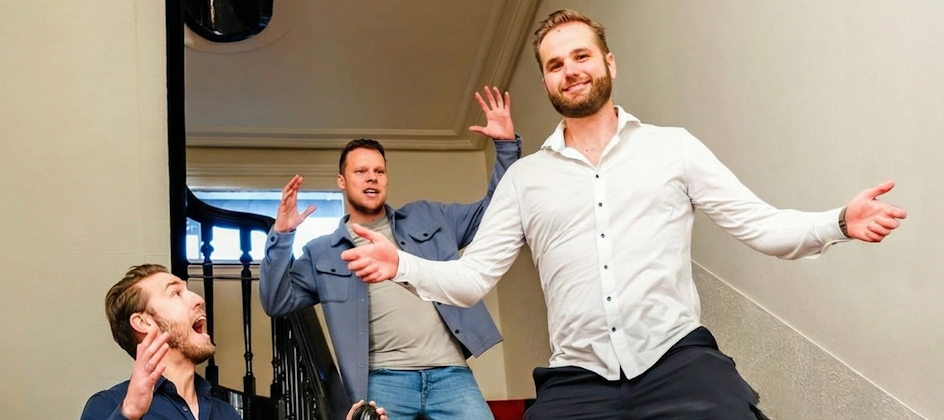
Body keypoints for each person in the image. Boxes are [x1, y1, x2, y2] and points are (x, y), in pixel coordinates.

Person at [338, 9, 909, 420]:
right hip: (576, 379)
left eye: (581, 56)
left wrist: (838, 221)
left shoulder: (673, 148)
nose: (570, 69)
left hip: (679, 362)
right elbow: (472, 278)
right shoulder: (524, 180)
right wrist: (402, 265)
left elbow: (761, 226)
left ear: (608, 62)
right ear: (546, 80)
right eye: (555, 64)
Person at [259, 87, 521, 419]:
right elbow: (276, 301)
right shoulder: (321, 252)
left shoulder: (429, 217)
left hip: (451, 374)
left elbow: (496, 213)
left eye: (379, 171)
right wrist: (282, 235)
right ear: (341, 181)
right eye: (360, 171)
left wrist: (506, 147)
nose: (371, 177)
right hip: (383, 381)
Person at [80, 263, 389, 420]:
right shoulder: (108, 406)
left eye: (188, 290)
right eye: (175, 293)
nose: (197, 299)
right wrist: (130, 413)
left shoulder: (225, 413)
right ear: (143, 322)